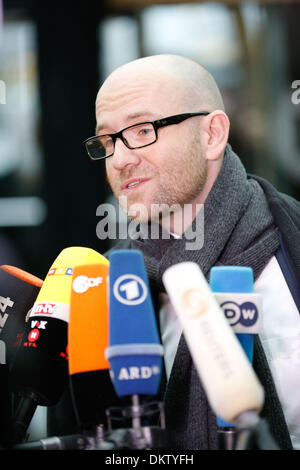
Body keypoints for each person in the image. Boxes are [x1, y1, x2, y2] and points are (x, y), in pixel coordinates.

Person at [85, 54, 300, 450]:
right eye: (107, 140)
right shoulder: (110, 282)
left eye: (141, 130)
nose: (119, 159)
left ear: (212, 135)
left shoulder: (293, 236)